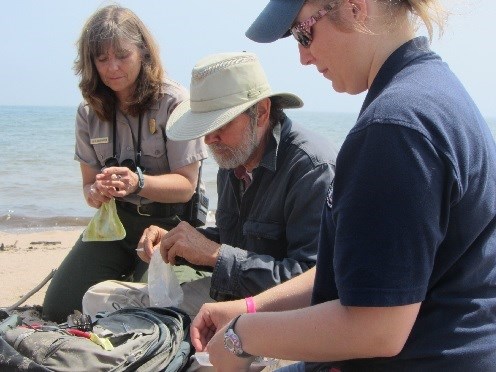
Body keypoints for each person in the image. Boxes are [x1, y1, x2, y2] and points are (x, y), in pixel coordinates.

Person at [190, 1, 496, 371]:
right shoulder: (431, 92)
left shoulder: (393, 128)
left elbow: (377, 327)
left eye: (304, 33)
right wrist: (249, 308)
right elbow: (366, 269)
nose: (302, 57)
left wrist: (242, 335)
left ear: (355, 7)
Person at [82, 51, 337, 319]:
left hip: (283, 315)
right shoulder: (234, 156)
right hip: (235, 295)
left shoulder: (311, 169)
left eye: (221, 124)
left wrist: (215, 255)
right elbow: (237, 238)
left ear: (261, 113)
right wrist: (179, 242)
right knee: (98, 297)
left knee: (150, 323)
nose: (209, 139)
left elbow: (313, 283)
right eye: (205, 126)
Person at [42, 4, 207, 323]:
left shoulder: (175, 103)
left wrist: (138, 182)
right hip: (116, 225)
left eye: (121, 55)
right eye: (101, 59)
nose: (112, 67)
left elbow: (186, 187)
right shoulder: (88, 112)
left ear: (143, 53)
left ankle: (144, 275)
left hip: (169, 225)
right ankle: (128, 273)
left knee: (153, 312)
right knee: (58, 309)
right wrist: (96, 192)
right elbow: (88, 189)